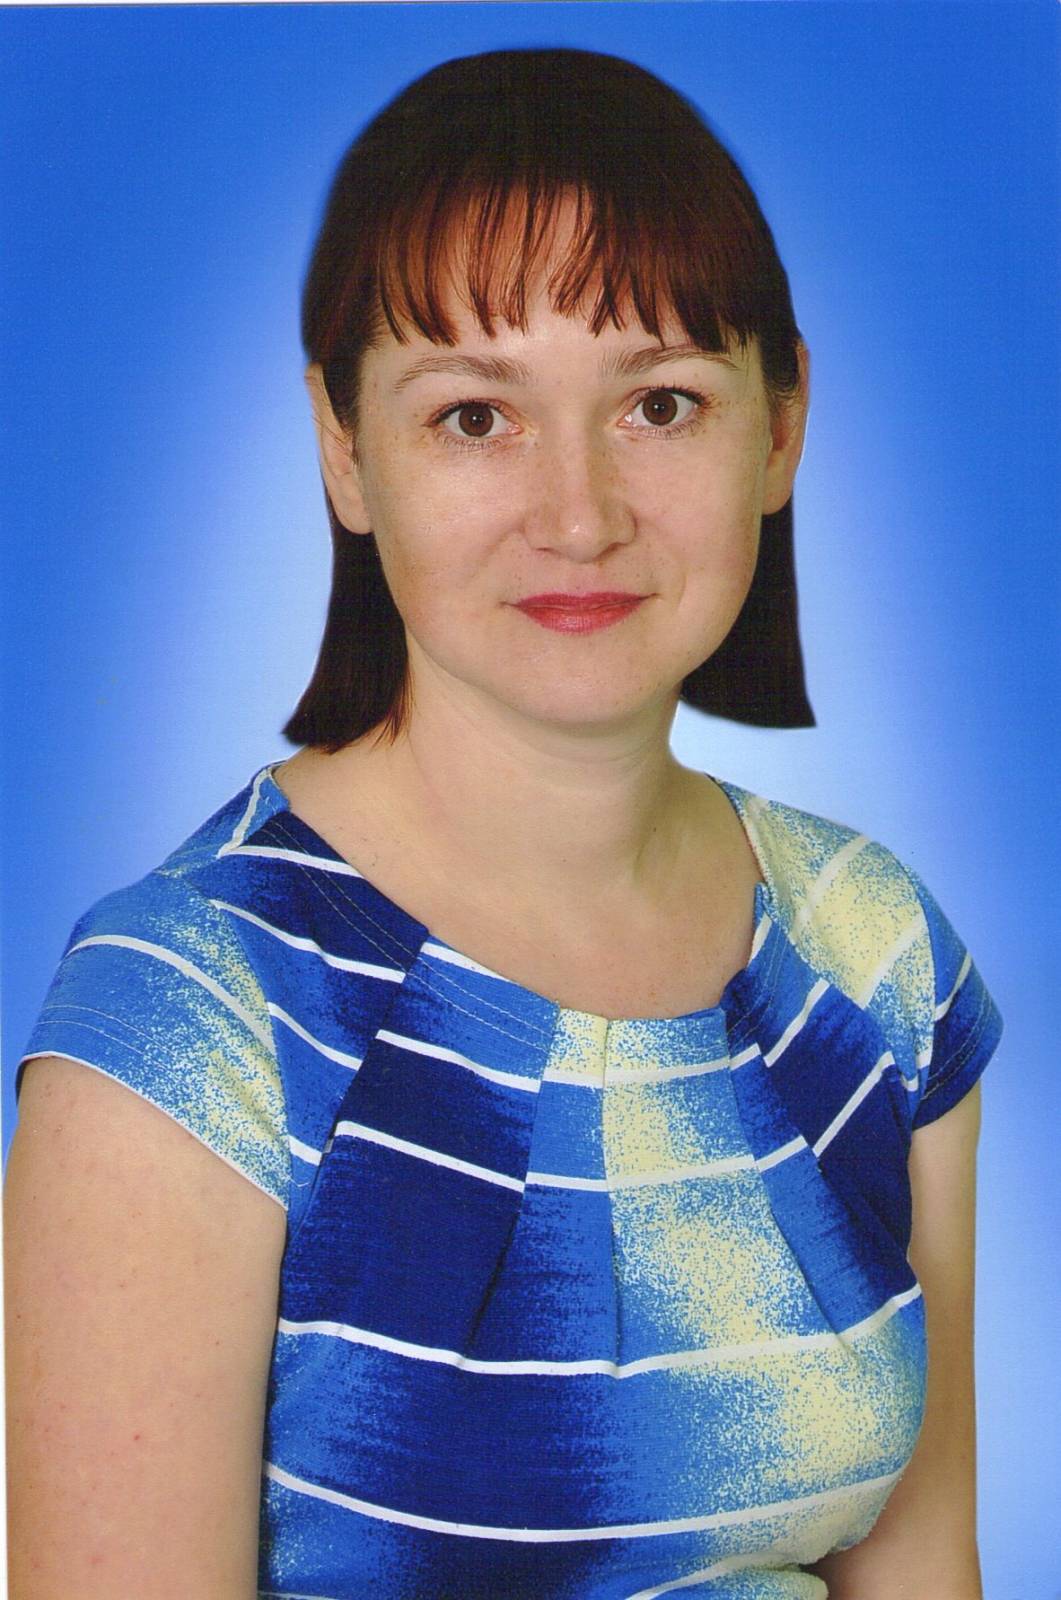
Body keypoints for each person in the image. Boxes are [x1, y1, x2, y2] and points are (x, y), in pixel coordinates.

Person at [4, 47, 1001, 1600]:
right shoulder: (193, 1020)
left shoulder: (872, 954)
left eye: (659, 403)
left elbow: (924, 1563)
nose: (578, 513)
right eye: (474, 417)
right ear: (344, 448)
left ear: (781, 425)